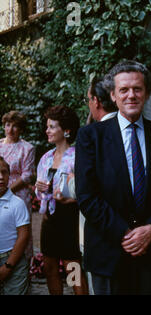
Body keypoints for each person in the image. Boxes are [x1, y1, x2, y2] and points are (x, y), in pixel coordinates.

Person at [75, 60, 151, 295]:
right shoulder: (90, 137)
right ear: (113, 95)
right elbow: (87, 196)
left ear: (147, 93)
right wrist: (126, 234)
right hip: (108, 252)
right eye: (124, 90)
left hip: (150, 253)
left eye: (137, 89)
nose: (131, 95)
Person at [35, 105, 88, 295]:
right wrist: (39, 189)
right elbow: (38, 192)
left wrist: (71, 200)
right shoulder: (46, 158)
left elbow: (87, 191)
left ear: (66, 130)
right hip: (49, 219)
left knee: (72, 268)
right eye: (47, 126)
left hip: (70, 219)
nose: (47, 130)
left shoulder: (78, 157)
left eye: (51, 127)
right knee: (49, 267)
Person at [0, 111, 35, 261]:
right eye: (8, 125)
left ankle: (21, 266)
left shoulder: (27, 148)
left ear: (21, 129)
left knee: (19, 230)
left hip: (18, 194)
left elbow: (27, 175)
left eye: (15, 126)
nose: (11, 129)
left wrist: (7, 190)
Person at [0, 157, 31, 295]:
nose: (1, 177)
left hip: (12, 260)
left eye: (4, 172)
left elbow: (23, 236)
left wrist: (8, 266)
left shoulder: (16, 203)